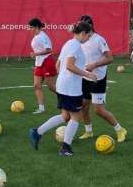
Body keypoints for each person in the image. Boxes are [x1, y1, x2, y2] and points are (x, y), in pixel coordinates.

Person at [29, 21, 96, 156]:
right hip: (71, 88)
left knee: (65, 116)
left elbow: (59, 64)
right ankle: (65, 147)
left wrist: (63, 78)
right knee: (76, 117)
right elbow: (69, 66)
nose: (89, 38)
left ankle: (37, 132)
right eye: (88, 36)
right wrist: (87, 74)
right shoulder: (76, 46)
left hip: (64, 85)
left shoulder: (68, 43)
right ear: (83, 33)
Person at [77, 15, 128, 143]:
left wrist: (94, 65)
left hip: (98, 78)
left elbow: (110, 58)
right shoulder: (80, 39)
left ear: (90, 27)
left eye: (82, 26)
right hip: (84, 77)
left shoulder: (99, 40)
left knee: (98, 110)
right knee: (83, 106)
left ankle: (120, 129)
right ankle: (88, 131)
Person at [28, 18, 57, 114]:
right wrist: (36, 64)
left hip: (47, 61)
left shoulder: (43, 36)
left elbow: (49, 50)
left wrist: (36, 54)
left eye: (31, 27)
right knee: (36, 85)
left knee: (51, 87)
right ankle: (41, 108)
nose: (30, 29)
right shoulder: (36, 36)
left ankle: (67, 98)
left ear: (36, 27)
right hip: (39, 63)